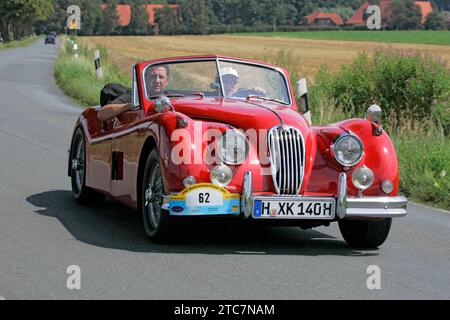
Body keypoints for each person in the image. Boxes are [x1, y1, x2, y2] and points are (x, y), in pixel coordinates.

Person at [97, 65, 170, 121]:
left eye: (161, 77)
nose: (157, 80)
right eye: (153, 77)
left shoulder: (173, 97)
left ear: (167, 81)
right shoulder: (135, 96)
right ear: (145, 79)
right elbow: (101, 114)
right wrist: (132, 105)